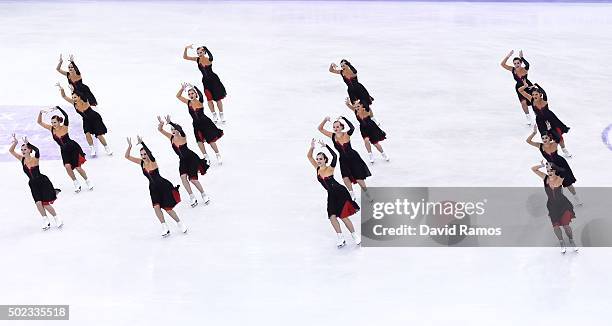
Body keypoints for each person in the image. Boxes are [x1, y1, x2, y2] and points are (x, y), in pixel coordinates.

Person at [125, 136, 187, 237]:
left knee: (168, 209)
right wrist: (130, 147)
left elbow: (150, 154)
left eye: (145, 154)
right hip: (153, 189)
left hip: (163, 186)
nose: (144, 156)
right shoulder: (141, 163)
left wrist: (143, 143)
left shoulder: (153, 162)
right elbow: (127, 156)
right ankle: (165, 228)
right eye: (142, 154)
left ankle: (180, 223)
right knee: (156, 208)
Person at [307, 139, 360, 248]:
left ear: (325, 160)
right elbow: (309, 157)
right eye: (317, 159)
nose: (318, 161)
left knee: (343, 216)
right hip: (331, 195)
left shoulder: (330, 168)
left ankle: (355, 235)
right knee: (332, 217)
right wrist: (312, 147)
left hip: (340, 193)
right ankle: (340, 237)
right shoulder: (317, 169)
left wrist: (326, 146)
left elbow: (335, 156)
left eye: (320, 159)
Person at [8, 134, 62, 230]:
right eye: (22, 150)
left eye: (25, 149)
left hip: (42, 182)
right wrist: (15, 143)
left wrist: (28, 143)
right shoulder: (22, 159)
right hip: (32, 184)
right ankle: (46, 220)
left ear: (29, 150)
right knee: (38, 203)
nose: (23, 151)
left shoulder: (35, 159)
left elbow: (37, 150)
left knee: (45, 204)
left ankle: (56, 218)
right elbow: (11, 151)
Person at [157, 115, 211, 207]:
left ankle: (203, 194)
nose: (173, 131)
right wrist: (161, 124)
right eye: (172, 129)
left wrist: (171, 122)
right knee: (183, 177)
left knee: (193, 180)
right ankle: (192, 196)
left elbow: (179, 129)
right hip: (182, 160)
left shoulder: (183, 136)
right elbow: (160, 130)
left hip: (191, 158)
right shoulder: (171, 138)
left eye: (175, 129)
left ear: (178, 130)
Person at [37, 106, 92, 193]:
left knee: (78, 168)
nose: (53, 124)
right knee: (67, 166)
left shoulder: (64, 127)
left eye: (55, 122)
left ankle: (87, 181)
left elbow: (66, 116)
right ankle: (76, 183)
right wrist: (40, 112)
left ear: (59, 122)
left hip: (73, 148)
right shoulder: (51, 129)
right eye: (52, 122)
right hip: (64, 150)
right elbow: (39, 122)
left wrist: (58, 108)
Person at [318, 116, 372, 201]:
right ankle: (352, 194)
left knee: (358, 179)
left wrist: (344, 118)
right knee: (345, 178)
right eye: (334, 127)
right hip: (343, 160)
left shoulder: (347, 134)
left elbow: (352, 127)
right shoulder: (332, 136)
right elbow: (320, 129)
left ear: (341, 127)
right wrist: (325, 120)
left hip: (353, 158)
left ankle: (367, 193)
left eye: (337, 126)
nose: (335, 128)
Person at [526, 125, 581, 205]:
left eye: (546, 138)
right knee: (556, 185)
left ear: (549, 138)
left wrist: (550, 129)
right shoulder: (540, 146)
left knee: (568, 184)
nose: (544, 140)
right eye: (543, 138)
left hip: (562, 165)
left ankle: (576, 198)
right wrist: (534, 133)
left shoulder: (554, 144)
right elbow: (528, 141)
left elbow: (558, 137)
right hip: (552, 167)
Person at [531, 161, 578, 253]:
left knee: (566, 226)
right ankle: (561, 242)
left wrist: (556, 165)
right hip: (552, 206)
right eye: (548, 170)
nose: (549, 172)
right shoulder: (545, 178)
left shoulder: (560, 178)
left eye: (551, 170)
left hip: (563, 205)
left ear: (555, 171)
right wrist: (542, 165)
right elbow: (533, 169)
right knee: (556, 226)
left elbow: (564, 171)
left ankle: (571, 240)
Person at [56, 82, 112, 157]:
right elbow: (64, 96)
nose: (73, 99)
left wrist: (74, 89)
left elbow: (81, 93)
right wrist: (62, 89)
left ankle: (106, 147)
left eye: (75, 97)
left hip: (95, 118)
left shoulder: (85, 100)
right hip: (86, 120)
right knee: (87, 134)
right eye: (72, 97)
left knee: (98, 135)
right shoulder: (74, 103)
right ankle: (92, 149)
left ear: (79, 97)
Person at [518, 82, 571, 157]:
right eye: (533, 94)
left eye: (536, 94)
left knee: (558, 136)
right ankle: (552, 152)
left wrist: (537, 85)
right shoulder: (531, 99)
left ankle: (564, 150)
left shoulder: (544, 99)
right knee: (545, 136)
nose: (534, 96)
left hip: (551, 119)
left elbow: (544, 92)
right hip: (540, 122)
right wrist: (525, 86)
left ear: (540, 95)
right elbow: (520, 90)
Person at [176, 83, 223, 164]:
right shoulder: (188, 102)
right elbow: (178, 96)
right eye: (189, 94)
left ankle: (218, 154)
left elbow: (201, 94)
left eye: (192, 93)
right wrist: (182, 89)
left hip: (205, 123)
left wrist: (194, 87)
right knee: (199, 141)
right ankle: (206, 157)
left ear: (195, 94)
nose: (191, 95)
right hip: (196, 124)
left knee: (211, 141)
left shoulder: (200, 100)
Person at [183, 44, 227, 123]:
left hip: (214, 81)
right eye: (198, 53)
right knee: (209, 99)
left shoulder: (209, 59)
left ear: (204, 52)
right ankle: (214, 115)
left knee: (217, 99)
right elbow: (185, 57)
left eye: (200, 52)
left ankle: (221, 114)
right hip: (205, 82)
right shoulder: (197, 59)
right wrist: (186, 48)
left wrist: (206, 48)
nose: (199, 54)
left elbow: (211, 56)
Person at [344, 98, 388, 163]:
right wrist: (348, 102)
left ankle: (383, 154)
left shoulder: (367, 110)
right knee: (366, 140)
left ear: (362, 105)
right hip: (363, 128)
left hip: (371, 128)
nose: (356, 108)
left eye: (358, 106)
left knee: (375, 143)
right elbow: (348, 105)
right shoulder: (355, 111)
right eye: (355, 106)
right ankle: (370, 155)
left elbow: (371, 113)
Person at [500, 50, 532, 125]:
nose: (516, 65)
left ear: (521, 63)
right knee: (523, 103)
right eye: (515, 63)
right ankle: (528, 118)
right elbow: (502, 64)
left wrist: (522, 57)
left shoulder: (525, 69)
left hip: (528, 85)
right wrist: (508, 55)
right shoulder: (513, 69)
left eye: (518, 63)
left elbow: (527, 64)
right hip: (519, 87)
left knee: (534, 101)